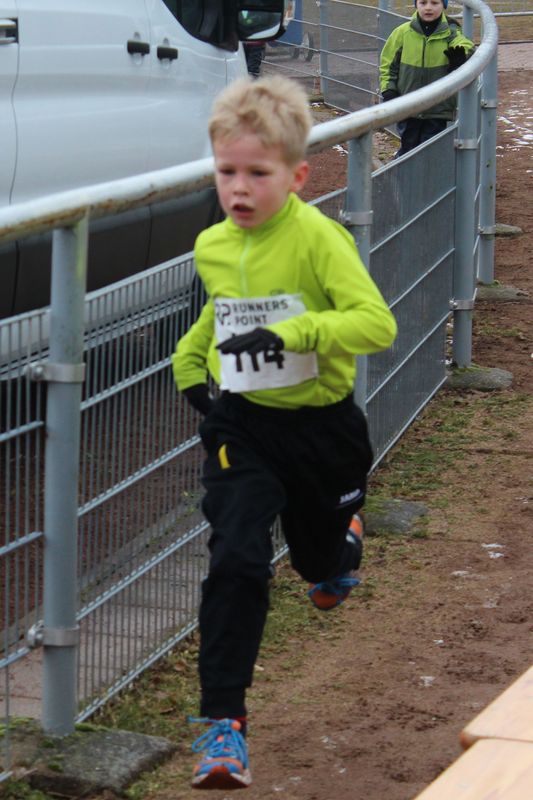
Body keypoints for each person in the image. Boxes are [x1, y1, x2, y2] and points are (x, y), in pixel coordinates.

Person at [171, 74, 397, 791]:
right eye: (226, 172)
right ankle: (223, 727)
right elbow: (224, 309)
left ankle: (340, 545)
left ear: (297, 176)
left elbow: (376, 325)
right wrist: (190, 361)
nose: (238, 189)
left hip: (322, 429)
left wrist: (295, 332)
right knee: (236, 556)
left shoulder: (318, 239)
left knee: (314, 563)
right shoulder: (213, 243)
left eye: (257, 174)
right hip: (243, 425)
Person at [379, 0, 475, 156]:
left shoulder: (451, 33)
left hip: (437, 107)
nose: (428, 8)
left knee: (431, 152)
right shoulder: (402, 33)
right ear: (416, 5)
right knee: (408, 149)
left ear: (443, 6)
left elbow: (465, 44)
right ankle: (405, 171)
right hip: (408, 105)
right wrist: (388, 89)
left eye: (435, 3)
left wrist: (461, 55)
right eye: (423, 3)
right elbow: (388, 64)